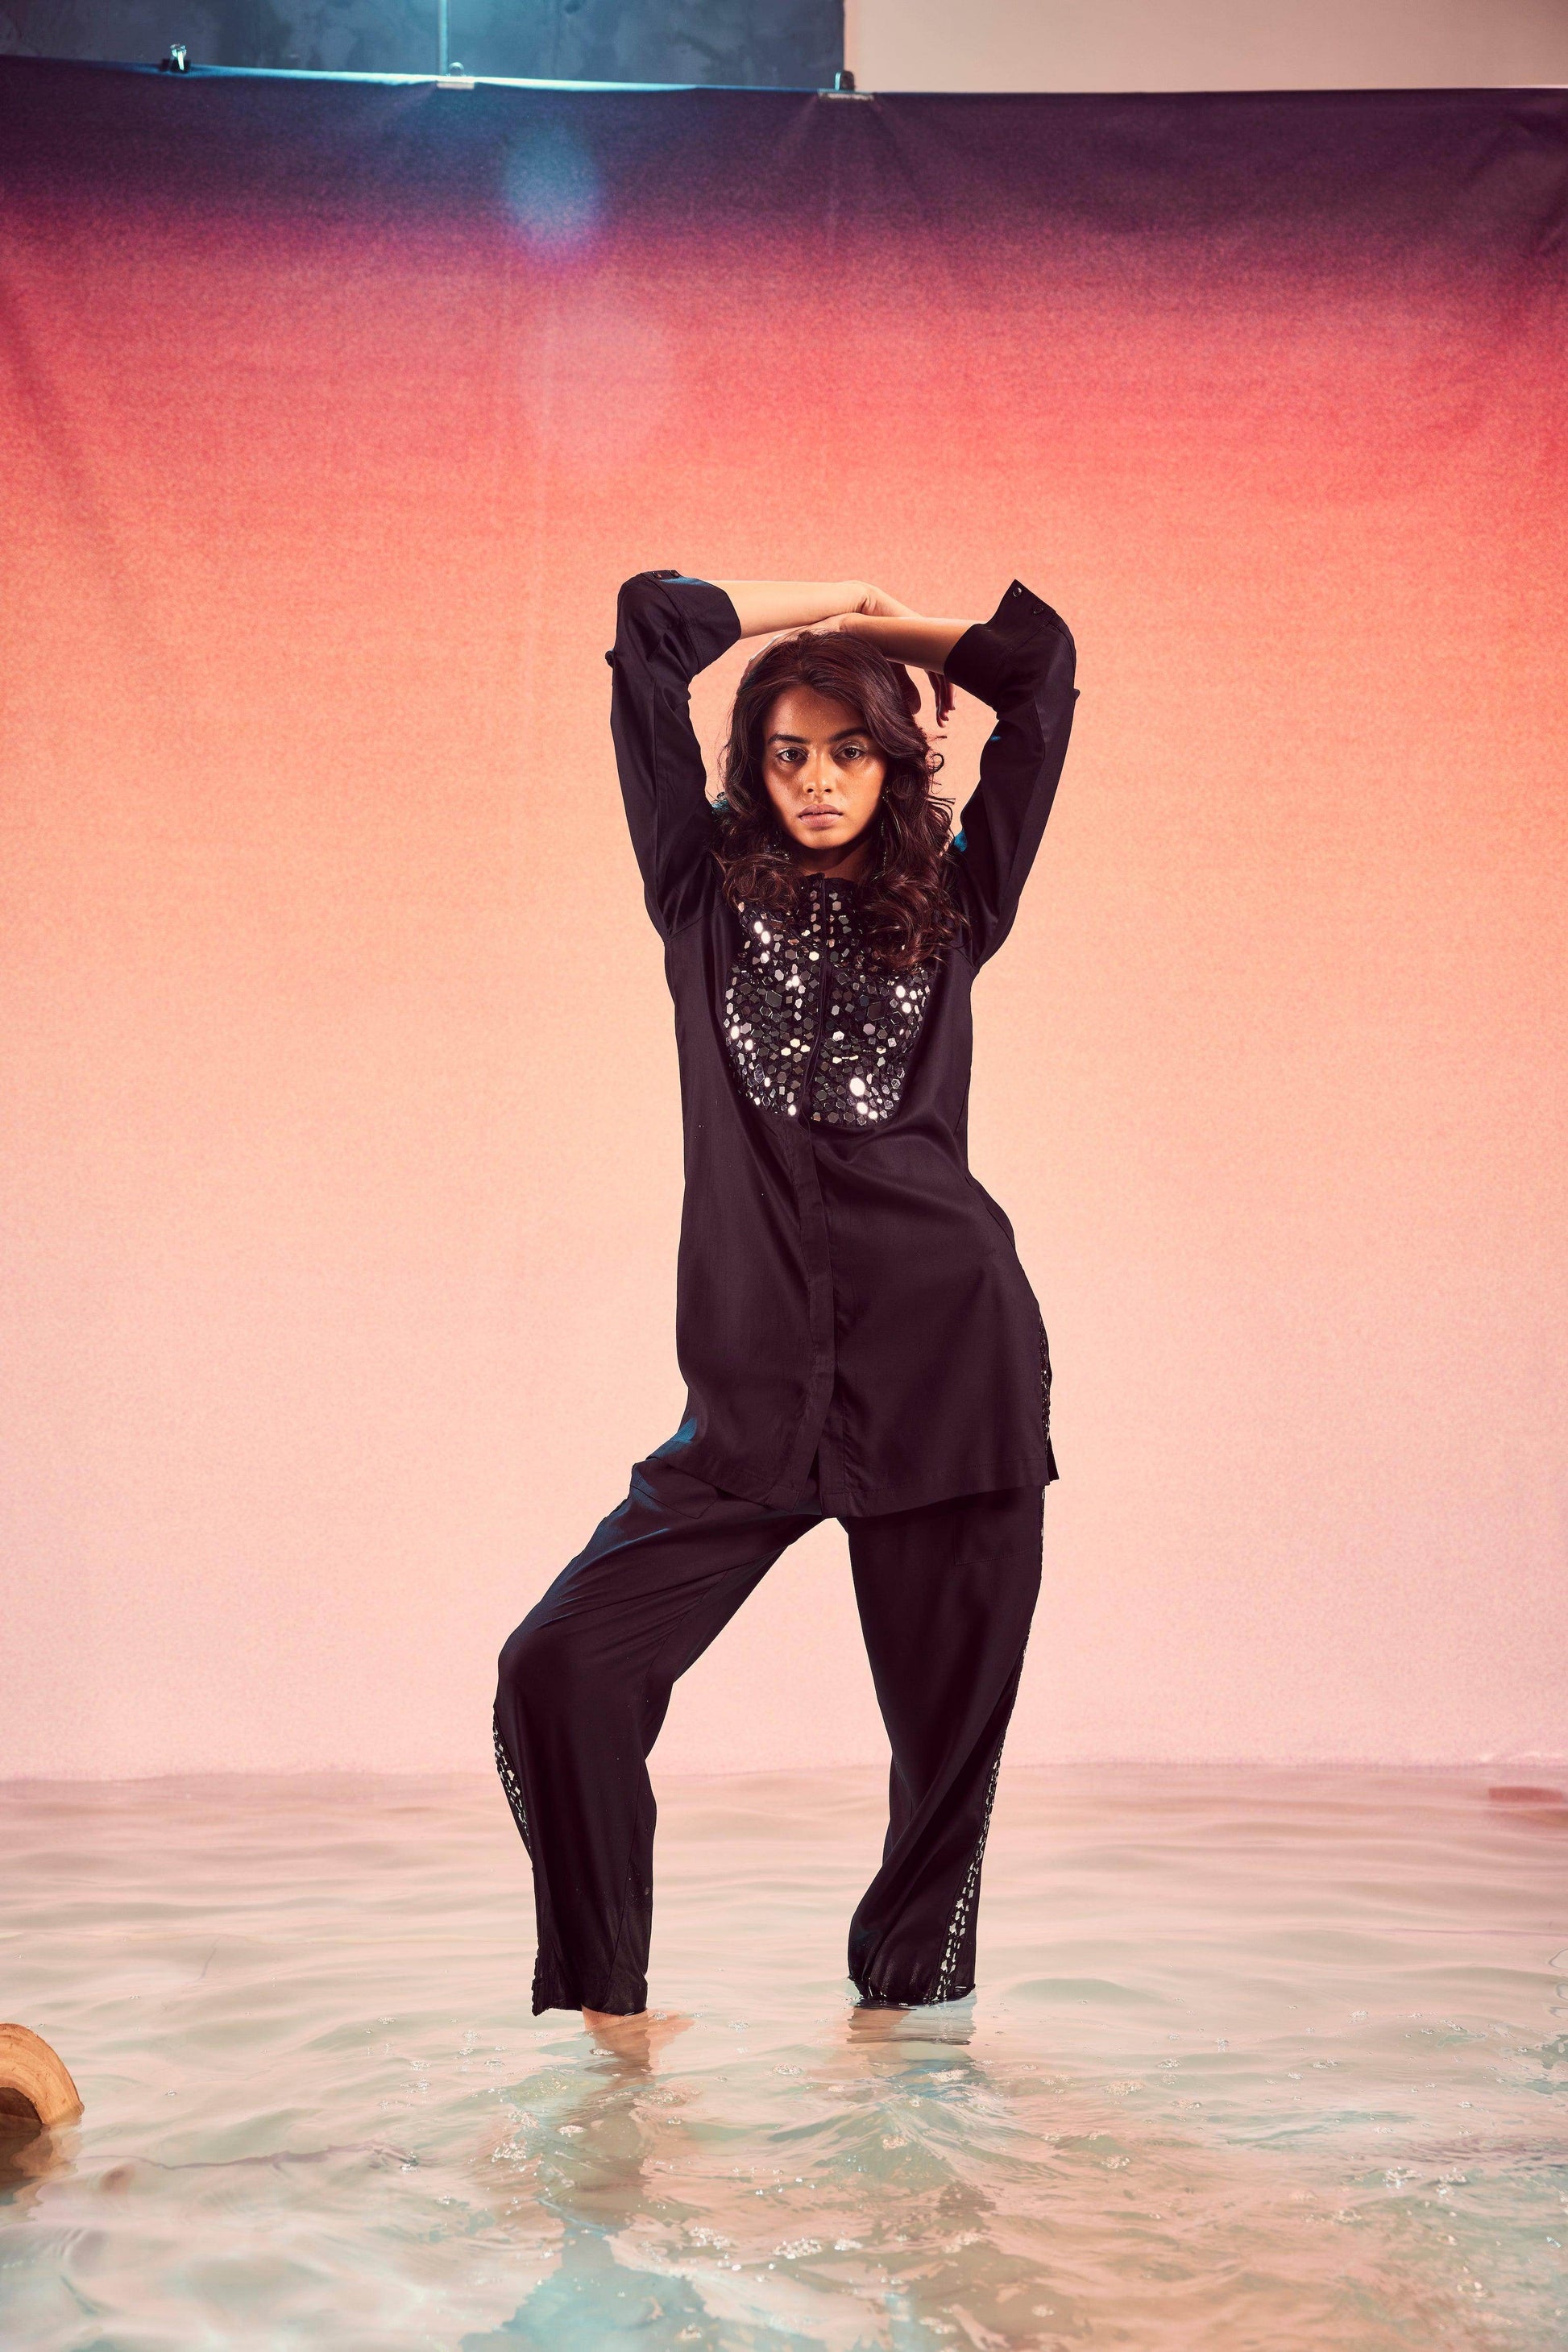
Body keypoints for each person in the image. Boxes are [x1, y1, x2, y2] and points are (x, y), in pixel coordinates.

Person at [494, 570, 1078, 2049]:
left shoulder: (958, 898)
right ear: (750, 771)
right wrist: (817, 604)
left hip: (949, 1369)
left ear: (895, 761)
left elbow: (1039, 670)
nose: (817, 780)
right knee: (560, 1668)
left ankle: (902, 2047)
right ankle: (609, 2013)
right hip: (753, 1398)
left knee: (946, 1754)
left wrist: (877, 639)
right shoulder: (696, 894)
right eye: (787, 753)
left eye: (849, 750)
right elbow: (649, 633)